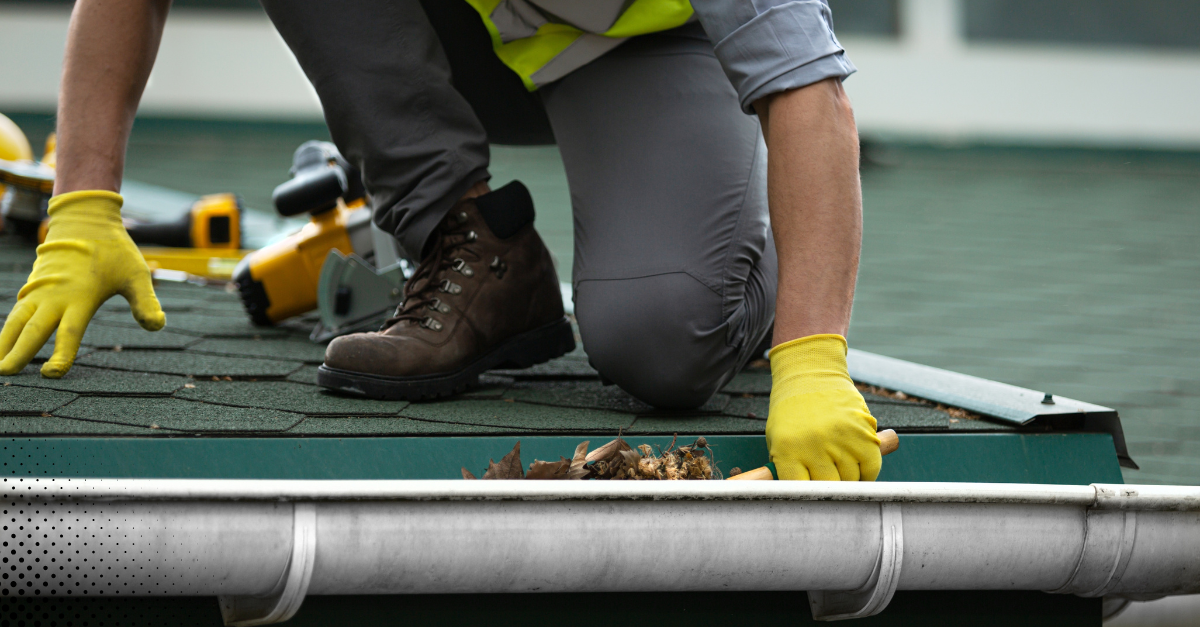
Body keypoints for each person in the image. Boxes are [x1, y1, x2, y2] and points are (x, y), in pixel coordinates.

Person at [0, 0, 881, 482]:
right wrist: (83, 205)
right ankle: (472, 245)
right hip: (470, 31)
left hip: (644, 53)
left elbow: (813, 99)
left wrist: (811, 354)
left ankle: (746, 278)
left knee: (661, 342)